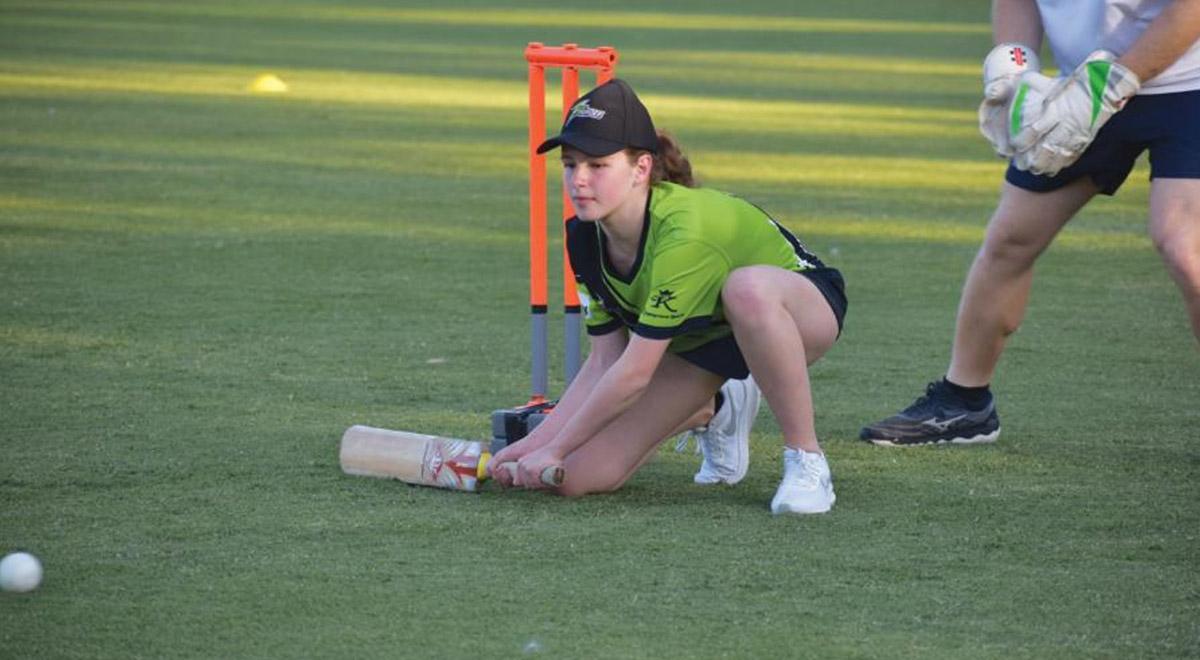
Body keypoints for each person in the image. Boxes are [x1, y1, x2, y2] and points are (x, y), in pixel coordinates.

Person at [488, 78, 848, 514]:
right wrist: (535, 447)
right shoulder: (584, 237)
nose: (578, 180)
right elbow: (604, 362)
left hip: (800, 309)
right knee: (573, 479)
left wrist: (554, 446)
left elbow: (635, 374)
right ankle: (718, 405)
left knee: (746, 290)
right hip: (700, 341)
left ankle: (807, 461)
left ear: (641, 169)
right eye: (570, 164)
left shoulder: (683, 233)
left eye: (597, 165)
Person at [861, 0, 1200, 446]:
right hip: (1080, 86)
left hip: (1185, 85)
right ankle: (965, 403)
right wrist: (1014, 68)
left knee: (1182, 244)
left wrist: (1114, 83)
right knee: (1011, 239)